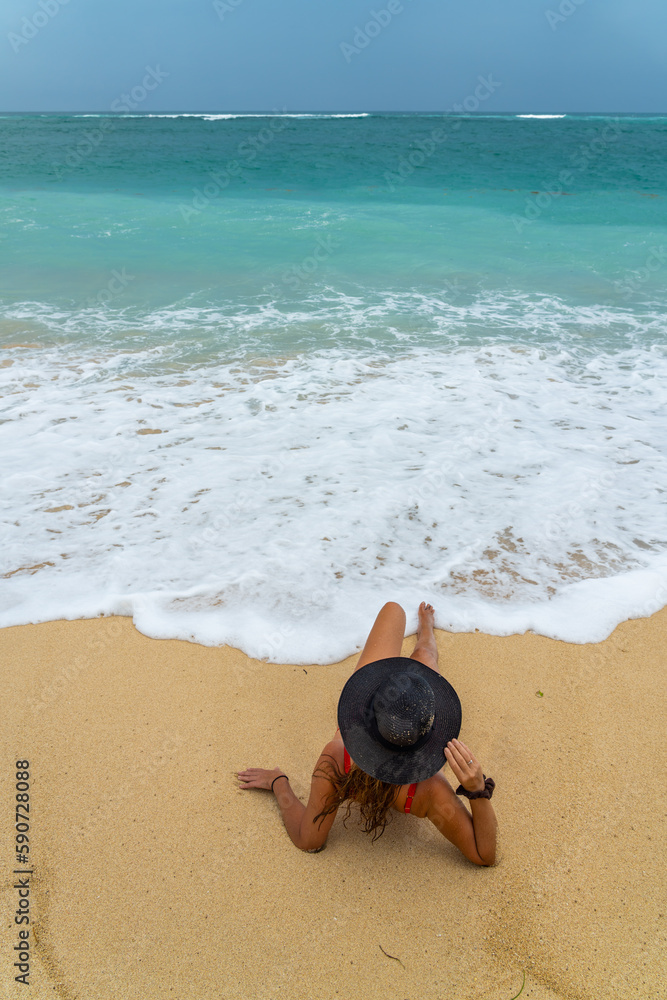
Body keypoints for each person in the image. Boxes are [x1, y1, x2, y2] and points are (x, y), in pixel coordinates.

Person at [237, 601, 497, 865]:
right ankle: (426, 629)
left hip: (373, 723)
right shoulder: (430, 790)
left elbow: (309, 840)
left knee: (399, 618)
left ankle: (425, 629)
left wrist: (279, 782)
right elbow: (483, 854)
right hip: (401, 733)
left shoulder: (337, 758)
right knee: (424, 654)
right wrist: (477, 791)